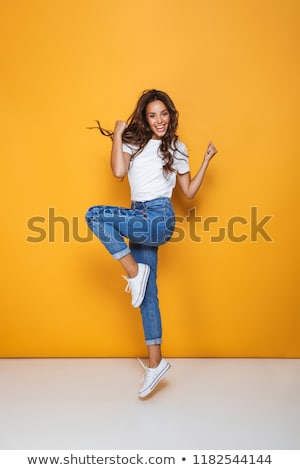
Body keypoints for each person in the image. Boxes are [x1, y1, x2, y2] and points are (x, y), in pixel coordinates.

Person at [85, 89, 217, 398]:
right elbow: (118, 171)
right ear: (145, 118)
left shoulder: (177, 148)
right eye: (152, 114)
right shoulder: (134, 141)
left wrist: (206, 161)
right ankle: (156, 363)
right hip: (137, 217)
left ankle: (134, 273)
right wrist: (118, 134)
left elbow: (188, 193)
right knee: (148, 295)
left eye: (163, 114)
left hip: (159, 217)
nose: (159, 120)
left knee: (94, 215)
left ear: (171, 116)